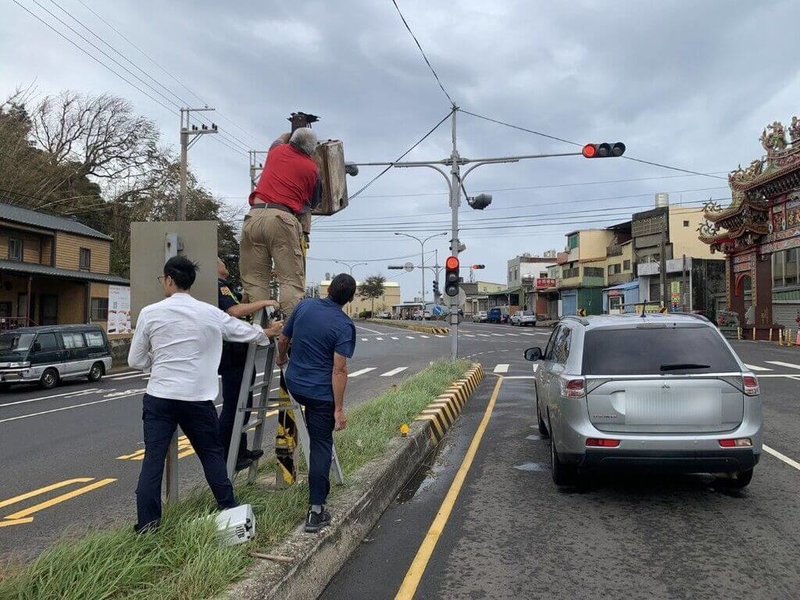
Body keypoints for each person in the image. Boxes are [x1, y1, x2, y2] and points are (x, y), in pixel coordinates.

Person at [128, 256, 270, 533]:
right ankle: (229, 510)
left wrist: (156, 363)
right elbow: (244, 333)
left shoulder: (150, 312)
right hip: (197, 398)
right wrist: (267, 332)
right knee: (211, 455)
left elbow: (135, 360)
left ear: (169, 280)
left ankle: (147, 526)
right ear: (190, 282)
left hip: (160, 396)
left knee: (153, 460)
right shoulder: (210, 313)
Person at [277, 273, 357, 533]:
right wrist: (339, 410)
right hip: (320, 394)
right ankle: (316, 510)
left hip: (295, 385)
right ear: (350, 299)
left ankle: (320, 494)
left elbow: (283, 339)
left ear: (329, 289)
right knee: (321, 444)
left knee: (316, 434)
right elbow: (339, 371)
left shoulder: (305, 305)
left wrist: (281, 360)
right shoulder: (344, 325)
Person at [239, 127, 321, 318]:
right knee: (290, 280)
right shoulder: (312, 170)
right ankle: (291, 332)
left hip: (253, 216)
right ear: (311, 150)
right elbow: (313, 204)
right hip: (282, 219)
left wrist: (290, 134)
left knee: (255, 279)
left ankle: (259, 326)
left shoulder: (276, 150)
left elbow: (281, 138)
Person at [217, 257, 283, 471]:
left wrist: (259, 287)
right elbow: (234, 311)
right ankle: (230, 455)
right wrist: (264, 303)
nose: (224, 265)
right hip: (232, 352)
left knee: (243, 403)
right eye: (221, 262)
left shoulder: (227, 288)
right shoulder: (217, 286)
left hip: (241, 351)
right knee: (235, 406)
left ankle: (240, 450)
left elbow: (240, 304)